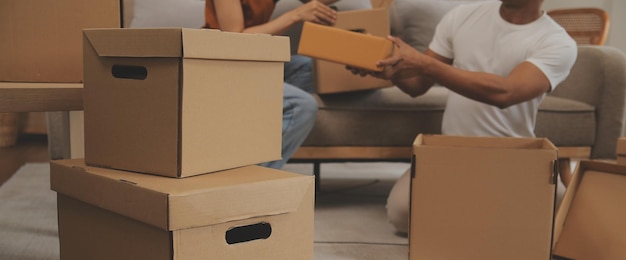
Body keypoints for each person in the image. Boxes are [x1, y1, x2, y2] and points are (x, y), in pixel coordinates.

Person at [351, 0, 577, 234]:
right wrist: (385, 69)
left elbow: (506, 93)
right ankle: (484, 217)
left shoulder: (557, 42)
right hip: (451, 150)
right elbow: (417, 85)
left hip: (513, 154)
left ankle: (483, 216)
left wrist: (425, 64)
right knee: (401, 214)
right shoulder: (463, 16)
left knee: (557, 212)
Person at [204, 0, 338, 169]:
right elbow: (235, 39)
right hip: (219, 65)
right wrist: (295, 15)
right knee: (302, 105)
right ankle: (248, 178)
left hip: (254, 64)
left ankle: (254, 138)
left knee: (309, 68)